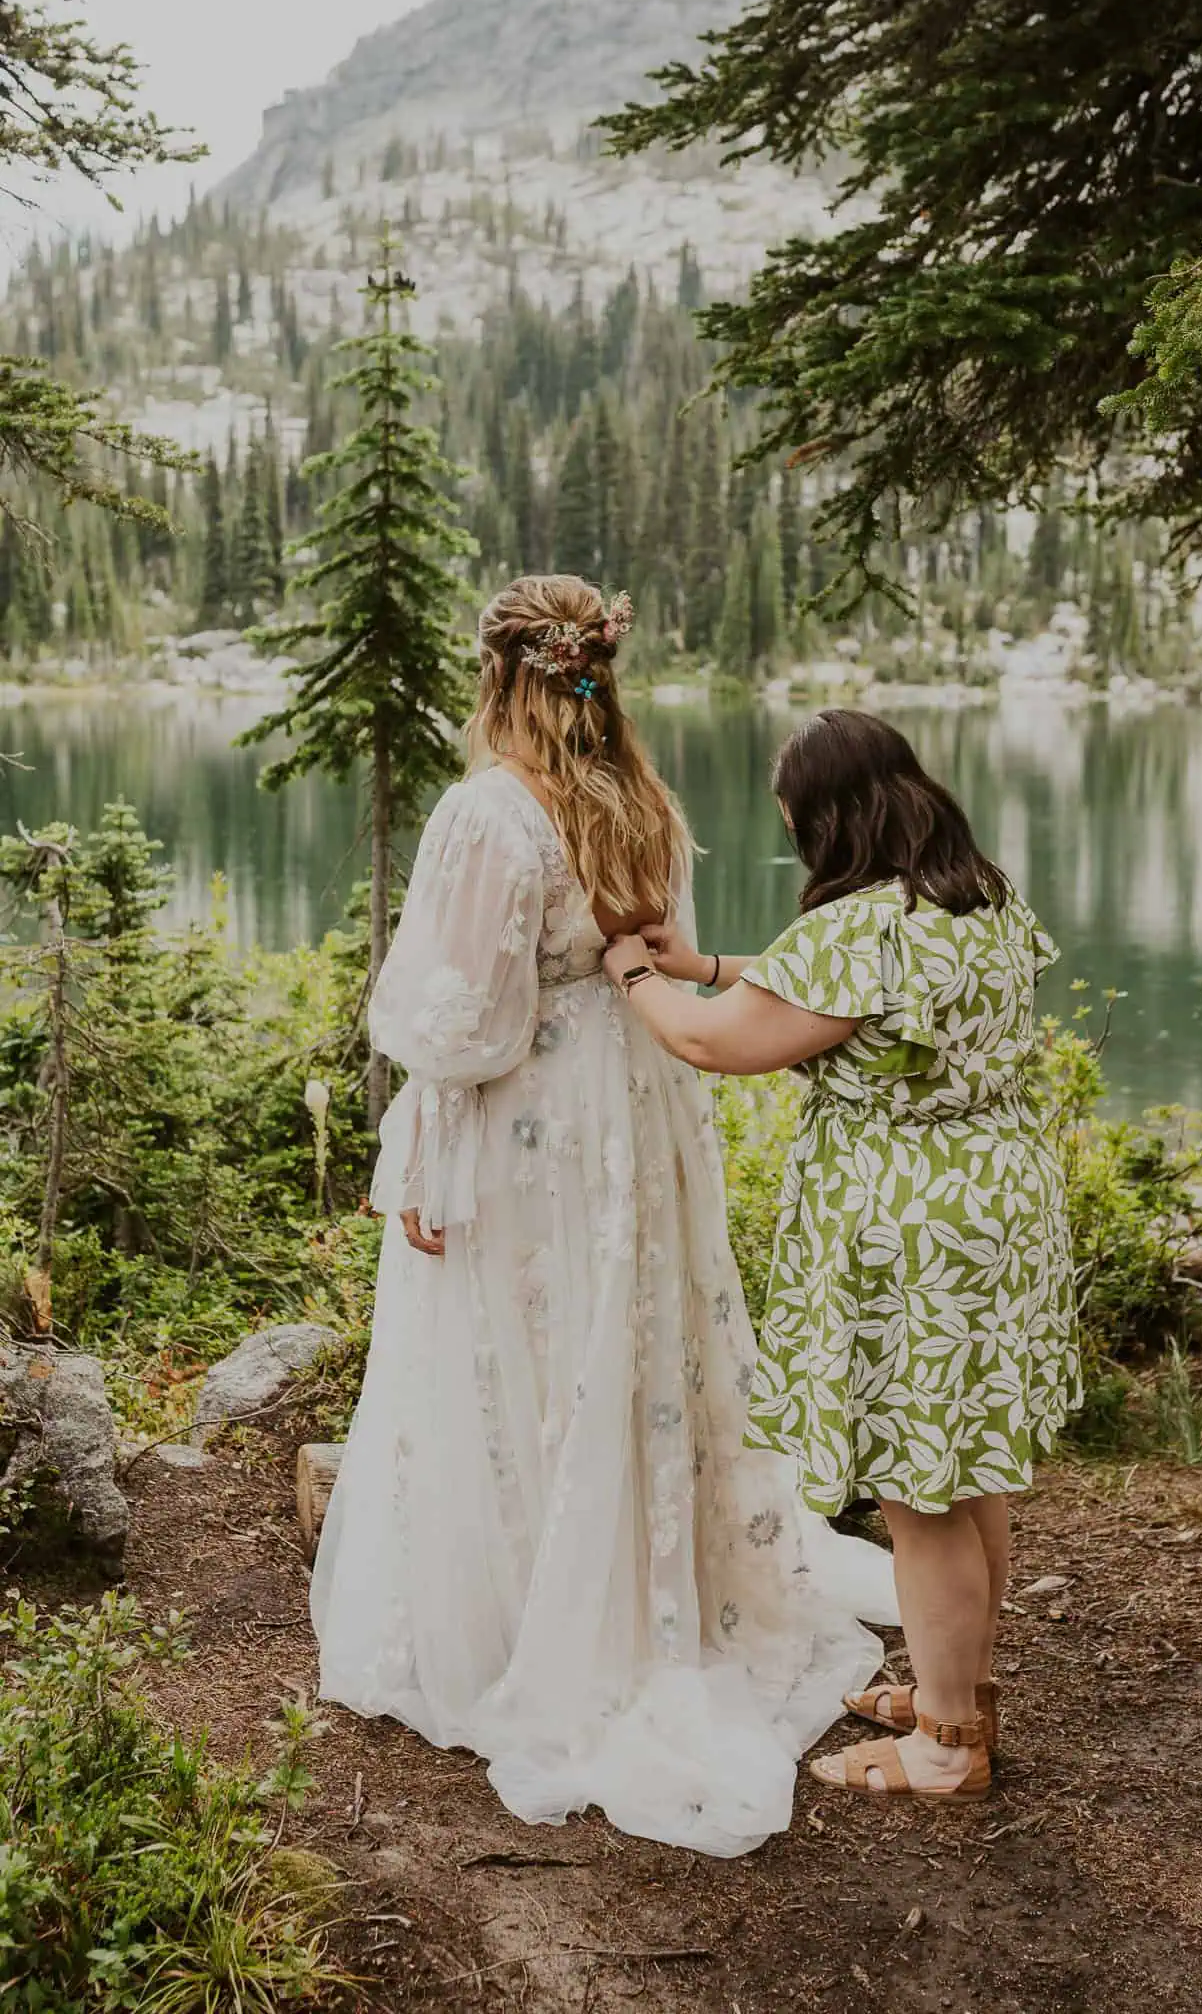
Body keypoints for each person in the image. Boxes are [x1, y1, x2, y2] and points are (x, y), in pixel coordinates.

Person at [310, 578, 895, 1858]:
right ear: (593, 674)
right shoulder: (642, 797)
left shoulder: (487, 811)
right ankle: (648, 1598)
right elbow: (662, 949)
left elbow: (462, 1023)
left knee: (519, 1355)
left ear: (499, 676)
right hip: (633, 1105)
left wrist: (403, 1068)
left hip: (525, 1126)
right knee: (624, 1350)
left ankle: (539, 1622)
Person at [605, 707, 1080, 1804]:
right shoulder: (984, 898)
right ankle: (958, 1688)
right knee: (967, 1474)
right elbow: (848, 1003)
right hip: (998, 1208)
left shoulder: (855, 929)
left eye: (796, 826)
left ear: (833, 819)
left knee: (921, 1496)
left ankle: (948, 1746)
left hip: (911, 1233)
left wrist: (638, 972)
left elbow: (714, 1040)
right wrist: (713, 958)